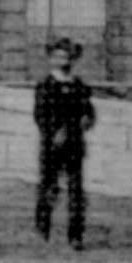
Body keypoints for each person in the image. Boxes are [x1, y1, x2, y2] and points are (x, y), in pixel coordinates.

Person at [33, 36, 96, 250]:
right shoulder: (46, 85)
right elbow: (40, 115)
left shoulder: (78, 85)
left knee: (76, 191)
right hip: (53, 146)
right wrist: (54, 133)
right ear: (51, 59)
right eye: (57, 56)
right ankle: (43, 231)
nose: (61, 60)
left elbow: (88, 109)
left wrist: (87, 119)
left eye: (66, 56)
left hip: (75, 144)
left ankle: (76, 236)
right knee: (49, 188)